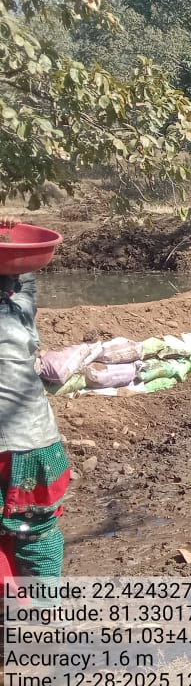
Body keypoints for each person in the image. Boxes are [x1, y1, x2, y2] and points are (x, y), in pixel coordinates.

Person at [0, 219, 70, 594]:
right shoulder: (20, 314)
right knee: (33, 528)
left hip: (19, 449)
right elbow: (26, 278)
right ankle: (43, 610)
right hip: (32, 448)